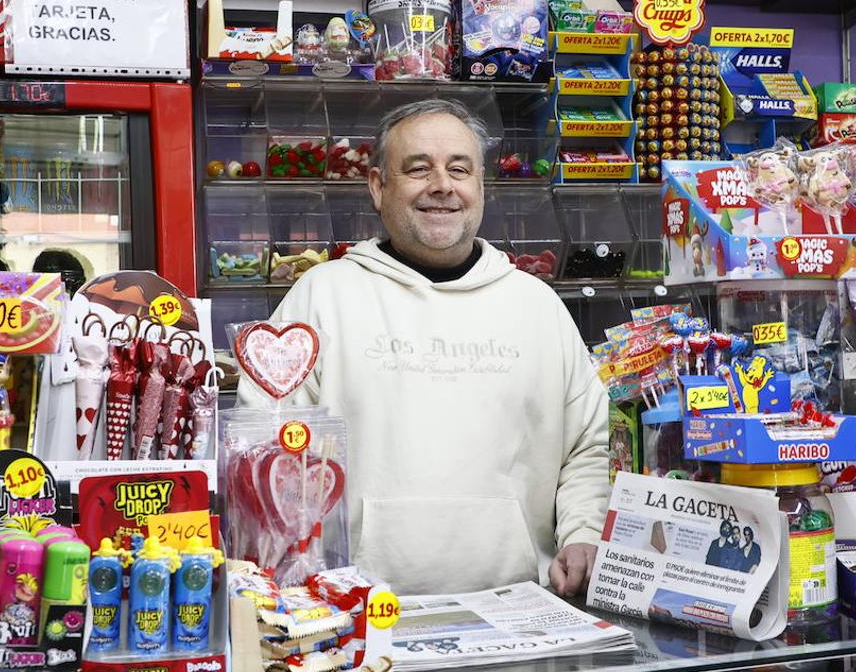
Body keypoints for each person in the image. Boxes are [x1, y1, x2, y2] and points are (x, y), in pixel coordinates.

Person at [237, 98, 610, 597]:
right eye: (418, 169)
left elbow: (587, 446)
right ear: (378, 187)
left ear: (480, 186)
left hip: (520, 607)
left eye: (460, 169)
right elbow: (265, 450)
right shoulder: (320, 297)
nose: (442, 185)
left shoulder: (537, 305)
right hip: (357, 616)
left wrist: (583, 533)